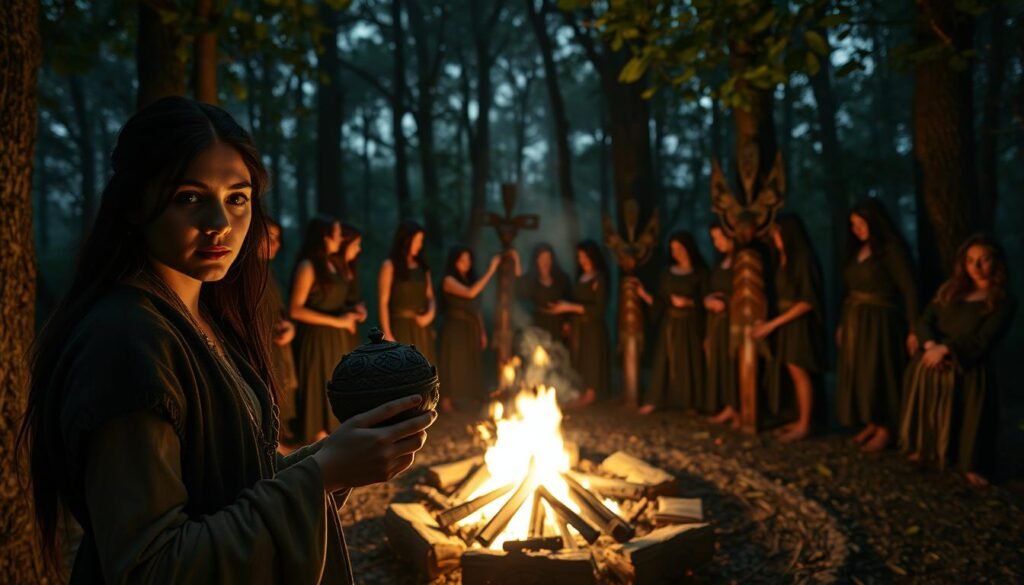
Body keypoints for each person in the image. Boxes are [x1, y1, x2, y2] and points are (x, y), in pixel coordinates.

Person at [18, 97, 435, 584]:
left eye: (237, 197)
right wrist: (321, 474)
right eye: (189, 197)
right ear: (134, 204)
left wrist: (331, 459)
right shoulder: (126, 341)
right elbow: (152, 568)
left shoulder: (200, 317)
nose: (219, 222)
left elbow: (229, 483)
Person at [900, 234, 1016, 486]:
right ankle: (928, 451)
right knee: (930, 409)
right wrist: (931, 345)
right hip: (932, 359)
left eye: (984, 260)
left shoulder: (1002, 300)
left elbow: (985, 338)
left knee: (970, 417)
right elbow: (926, 319)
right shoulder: (950, 290)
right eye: (970, 260)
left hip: (968, 365)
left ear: (996, 262)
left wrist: (947, 350)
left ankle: (971, 464)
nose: (976, 267)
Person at [836, 200, 919, 452]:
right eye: (853, 224)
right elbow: (849, 289)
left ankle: (887, 428)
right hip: (856, 319)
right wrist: (842, 323)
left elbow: (910, 288)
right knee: (862, 373)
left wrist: (914, 328)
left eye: (861, 223)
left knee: (879, 371)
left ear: (875, 222)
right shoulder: (858, 250)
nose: (857, 229)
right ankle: (871, 421)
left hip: (881, 321)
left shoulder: (891, 249)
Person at [290, 218, 367, 442]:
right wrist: (339, 322)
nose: (340, 238)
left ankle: (336, 437)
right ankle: (318, 441)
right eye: (337, 233)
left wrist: (353, 310)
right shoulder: (308, 266)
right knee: (319, 386)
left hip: (336, 336)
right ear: (325, 237)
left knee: (335, 384)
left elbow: (337, 300)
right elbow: (296, 309)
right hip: (316, 337)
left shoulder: (333, 265)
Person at [753, 214, 825, 443]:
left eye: (777, 233)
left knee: (799, 370)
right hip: (785, 322)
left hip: (798, 324)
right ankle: (799, 418)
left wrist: (773, 324)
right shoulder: (783, 259)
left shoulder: (803, 260)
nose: (775, 238)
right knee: (792, 371)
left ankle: (805, 424)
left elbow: (807, 301)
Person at [636, 231, 708, 415]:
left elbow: (706, 301)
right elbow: (661, 302)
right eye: (673, 249)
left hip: (690, 324)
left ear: (688, 248)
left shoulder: (700, 273)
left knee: (689, 362)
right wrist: (644, 295)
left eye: (680, 248)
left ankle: (690, 402)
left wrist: (688, 303)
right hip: (670, 323)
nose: (676, 253)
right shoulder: (667, 273)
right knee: (664, 361)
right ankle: (655, 400)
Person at [438, 245, 502, 411]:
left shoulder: (471, 280)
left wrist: (482, 331)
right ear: (454, 261)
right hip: (455, 327)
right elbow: (469, 293)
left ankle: (470, 398)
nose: (466, 263)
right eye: (462, 260)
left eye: (468, 259)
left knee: (470, 362)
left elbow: (475, 308)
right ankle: (447, 400)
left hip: (470, 325)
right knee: (453, 362)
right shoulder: (448, 280)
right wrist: (491, 270)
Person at [549, 240, 611, 407]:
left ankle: (591, 394)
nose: (582, 260)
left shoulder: (599, 278)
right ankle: (581, 392)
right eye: (579, 257)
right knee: (580, 359)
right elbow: (575, 300)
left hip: (593, 327)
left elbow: (598, 309)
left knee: (592, 359)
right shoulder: (581, 277)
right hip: (578, 327)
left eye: (585, 256)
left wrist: (568, 307)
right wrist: (567, 318)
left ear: (593, 257)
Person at [259, 217, 299, 446]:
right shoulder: (242, 274)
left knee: (280, 386)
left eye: (277, 238)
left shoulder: (269, 273)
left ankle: (279, 437)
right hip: (261, 344)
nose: (275, 244)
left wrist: (289, 327)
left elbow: (280, 311)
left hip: (276, 342)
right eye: (269, 237)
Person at [378, 221, 436, 363]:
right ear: (406, 240)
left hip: (421, 327)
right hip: (400, 326)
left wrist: (430, 314)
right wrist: (387, 334)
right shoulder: (390, 266)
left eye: (421, 241)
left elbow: (430, 296)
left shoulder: (423, 267)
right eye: (417, 240)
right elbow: (383, 302)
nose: (419, 245)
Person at [705, 223, 740, 428]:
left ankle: (739, 408)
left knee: (734, 362)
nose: (716, 243)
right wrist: (708, 300)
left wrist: (726, 302)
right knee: (722, 362)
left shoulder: (742, 261)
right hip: (718, 321)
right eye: (713, 239)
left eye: (718, 238)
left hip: (734, 322)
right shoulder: (721, 262)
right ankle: (729, 405)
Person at [514, 243, 572, 343]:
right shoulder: (532, 280)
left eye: (548, 258)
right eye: (542, 258)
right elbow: (520, 291)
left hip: (559, 325)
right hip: (540, 325)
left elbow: (569, 299)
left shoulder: (562, 279)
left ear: (552, 260)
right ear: (536, 261)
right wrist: (517, 260)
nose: (545, 262)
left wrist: (567, 322)